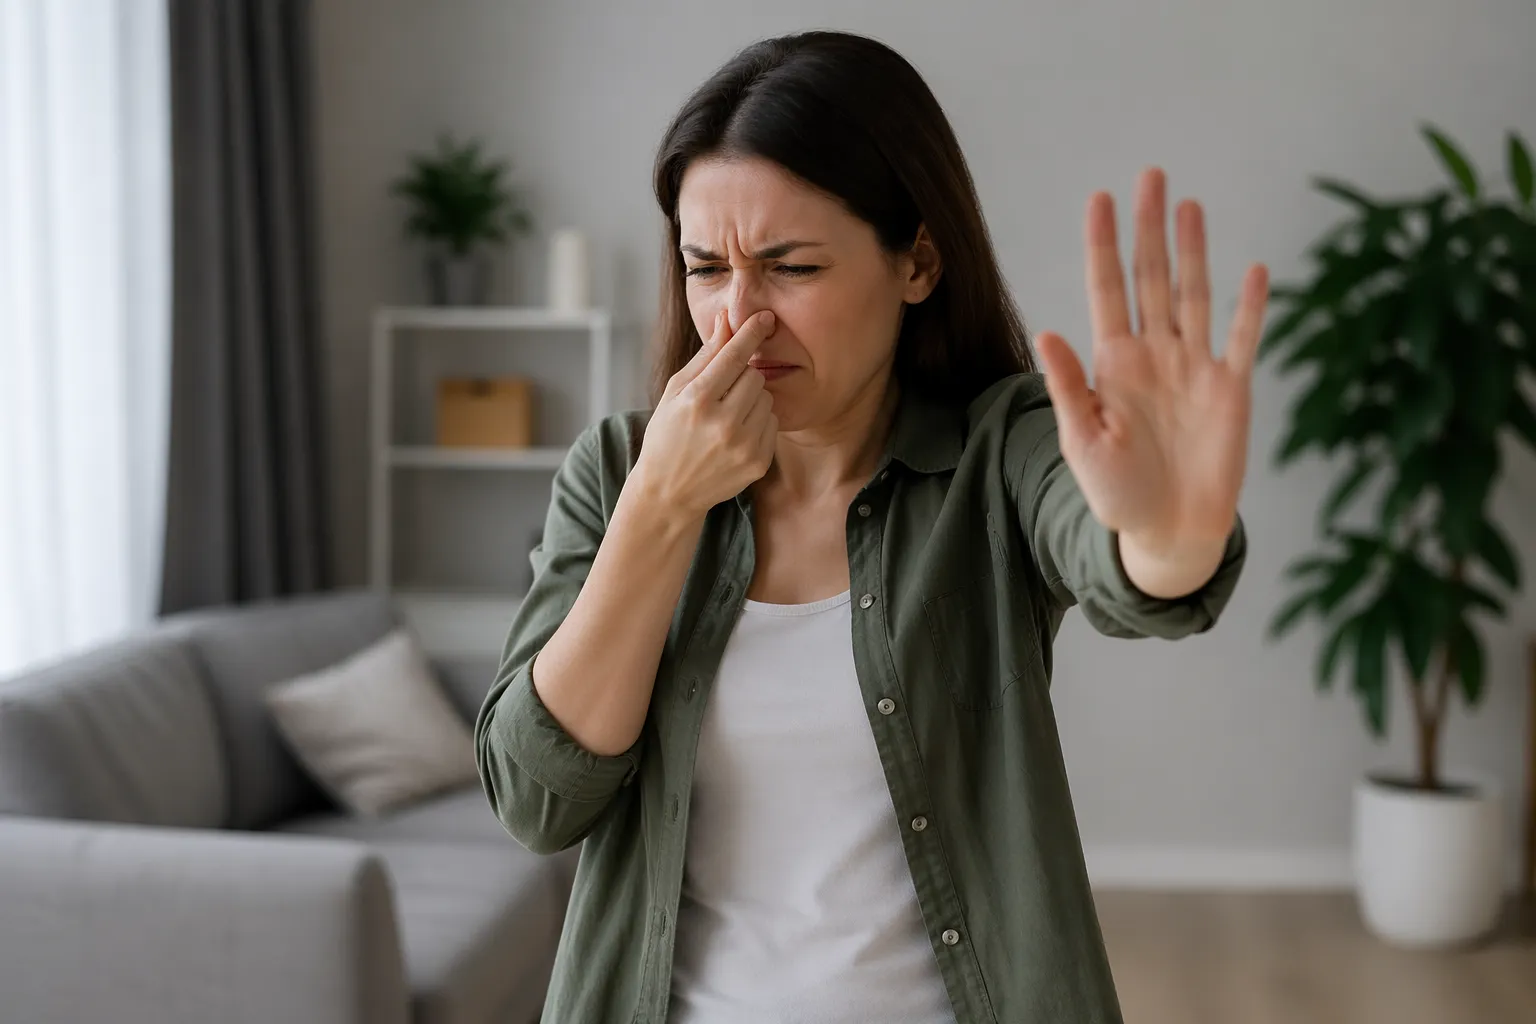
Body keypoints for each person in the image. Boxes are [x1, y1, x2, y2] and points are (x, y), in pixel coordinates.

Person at [474, 29, 1263, 1024]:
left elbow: (1127, 563)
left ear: (918, 262)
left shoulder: (998, 451)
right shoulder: (615, 473)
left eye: (791, 267)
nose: (738, 319)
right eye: (705, 267)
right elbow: (538, 802)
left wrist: (1169, 534)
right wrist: (660, 508)